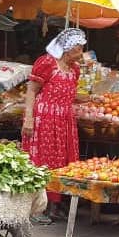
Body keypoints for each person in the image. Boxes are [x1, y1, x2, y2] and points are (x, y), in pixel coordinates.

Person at [22, 28, 86, 225]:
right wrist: (29, 119)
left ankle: (54, 206)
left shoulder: (75, 69)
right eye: (78, 49)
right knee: (42, 162)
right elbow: (31, 91)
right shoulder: (47, 63)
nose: (81, 53)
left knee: (61, 162)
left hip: (64, 120)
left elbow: (68, 93)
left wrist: (89, 99)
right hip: (44, 119)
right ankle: (35, 209)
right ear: (67, 49)